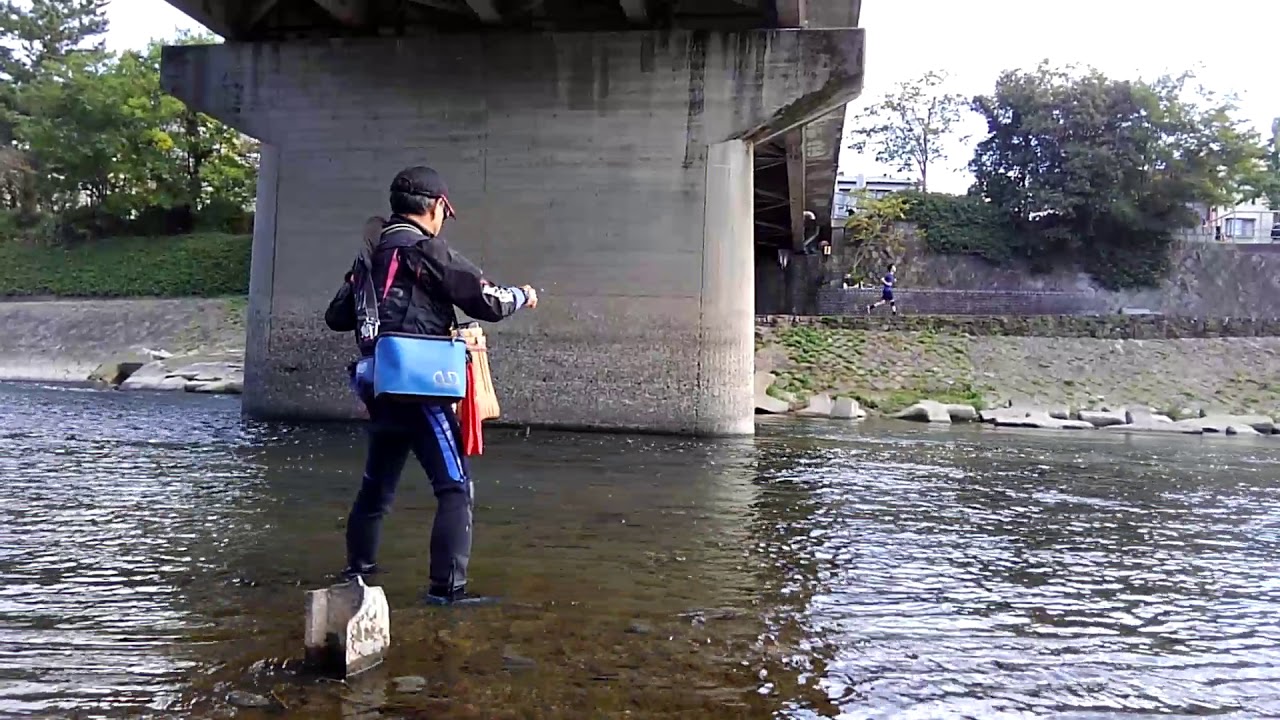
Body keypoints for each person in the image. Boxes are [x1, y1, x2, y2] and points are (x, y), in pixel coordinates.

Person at [341, 165, 538, 606]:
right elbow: (487, 300)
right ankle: (447, 591)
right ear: (435, 207)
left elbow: (338, 317)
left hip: (378, 386)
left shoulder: (368, 257)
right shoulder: (426, 251)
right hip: (423, 385)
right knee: (455, 487)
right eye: (446, 213)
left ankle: (358, 573)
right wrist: (523, 294)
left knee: (377, 487)